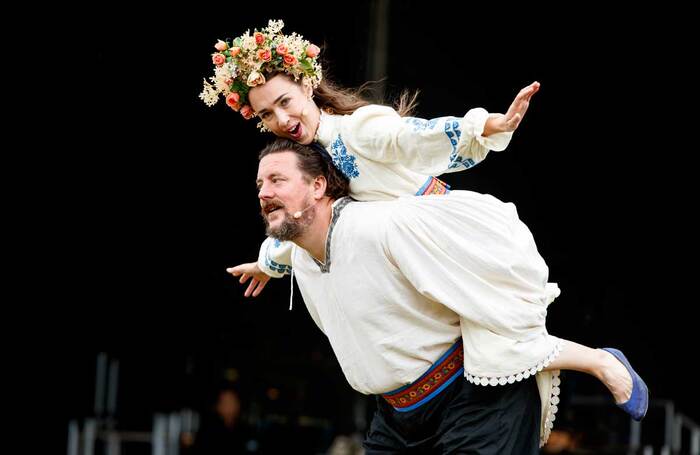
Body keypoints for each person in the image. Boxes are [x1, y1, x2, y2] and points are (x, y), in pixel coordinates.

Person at [229, 140, 648, 451]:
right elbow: (282, 246)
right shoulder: (297, 253)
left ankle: (598, 360)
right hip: (396, 417)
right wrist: (267, 264)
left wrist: (481, 130)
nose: (263, 191)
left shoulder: (384, 225)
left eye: (277, 180)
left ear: (319, 185)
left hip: (477, 398)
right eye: (260, 183)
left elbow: (474, 256)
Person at [200, 19, 538, 288]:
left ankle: (593, 361)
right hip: (400, 253)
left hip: (438, 232)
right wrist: (266, 265)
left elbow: (410, 137)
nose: (282, 119)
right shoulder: (306, 163)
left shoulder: (356, 128)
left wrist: (487, 125)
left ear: (305, 86)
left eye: (284, 102)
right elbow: (309, 220)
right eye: (266, 114)